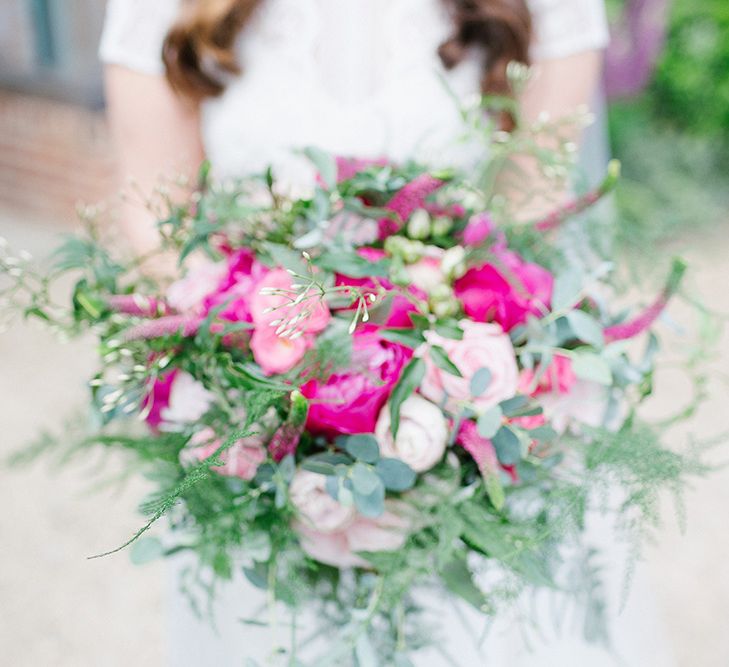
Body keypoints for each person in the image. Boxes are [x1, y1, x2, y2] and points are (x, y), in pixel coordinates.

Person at [98, 1, 673, 665]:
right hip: (253, 433)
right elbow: (155, 217)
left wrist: (440, 402)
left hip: (456, 437)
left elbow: (527, 223)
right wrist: (258, 387)